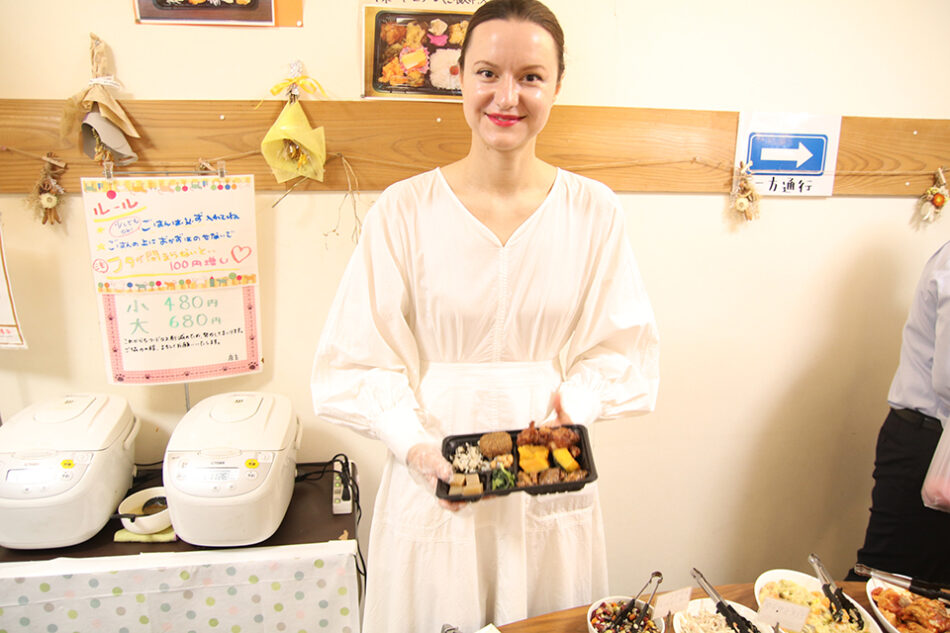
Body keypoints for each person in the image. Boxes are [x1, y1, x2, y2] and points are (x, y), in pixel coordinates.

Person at [311, 1, 660, 630]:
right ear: (460, 78)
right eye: (487, 73)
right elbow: (362, 356)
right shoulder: (403, 211)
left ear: (556, 85)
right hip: (434, 454)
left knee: (544, 611)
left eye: (530, 76)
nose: (507, 96)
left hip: (547, 457)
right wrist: (411, 445)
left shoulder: (594, 212)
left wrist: (573, 408)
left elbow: (618, 346)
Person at [849, 240, 950, 584]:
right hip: (929, 444)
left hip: (932, 438)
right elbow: (948, 377)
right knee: (887, 583)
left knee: (929, 590)